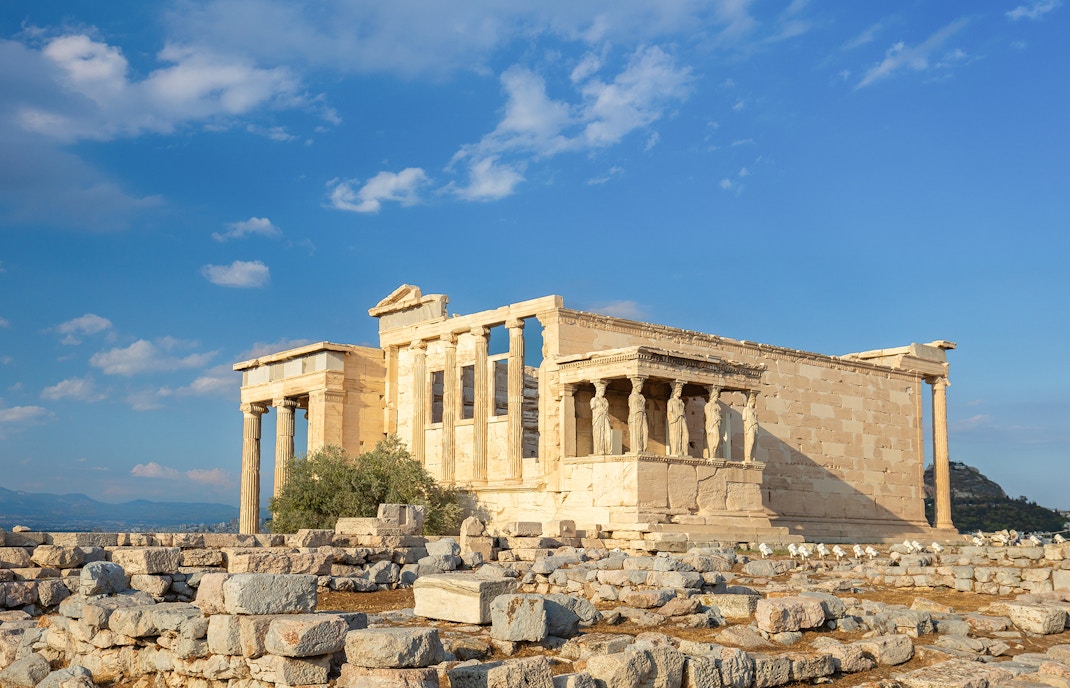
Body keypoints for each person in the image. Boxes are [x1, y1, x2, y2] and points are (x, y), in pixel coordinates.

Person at [667, 380, 688, 456]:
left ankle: (684, 452)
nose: (680, 392)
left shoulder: (681, 402)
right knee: (676, 436)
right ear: (674, 391)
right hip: (675, 421)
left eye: (680, 390)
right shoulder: (671, 401)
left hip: (682, 419)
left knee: (686, 435)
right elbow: (670, 413)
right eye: (678, 390)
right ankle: (675, 452)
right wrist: (677, 416)